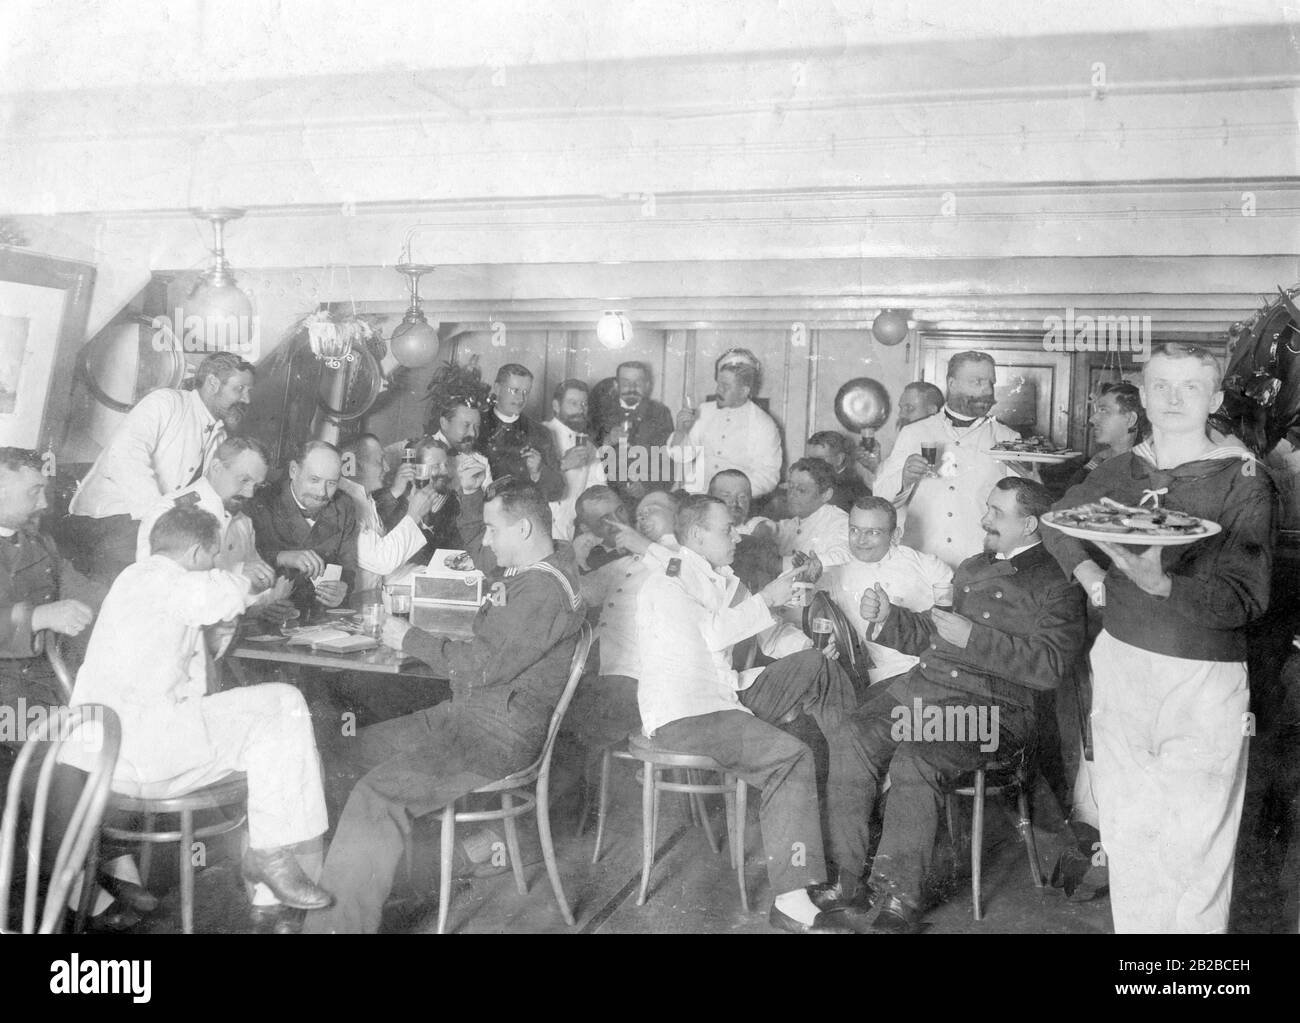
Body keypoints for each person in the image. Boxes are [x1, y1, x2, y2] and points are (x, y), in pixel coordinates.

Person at [1042, 343, 1274, 933]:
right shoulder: (1120, 469)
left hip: (1201, 676)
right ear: (1143, 397)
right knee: (1128, 834)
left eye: (1190, 387)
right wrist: (1091, 574)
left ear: (1215, 399)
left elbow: (1248, 599)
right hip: (1121, 663)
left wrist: (1164, 586)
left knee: (1195, 846)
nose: (1173, 398)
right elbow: (1057, 523)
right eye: (1162, 386)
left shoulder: (1243, 478)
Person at [303, 478, 586, 933]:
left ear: (526, 530)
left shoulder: (540, 592)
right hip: (468, 717)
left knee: (379, 794)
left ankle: (338, 927)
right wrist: (475, 499)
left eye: (494, 530)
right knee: (340, 758)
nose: (487, 541)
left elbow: (483, 666)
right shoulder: (546, 562)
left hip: (495, 736)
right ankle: (363, 891)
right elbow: (493, 618)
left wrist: (409, 638)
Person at [833, 478, 1086, 931]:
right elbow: (937, 635)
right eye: (987, 507)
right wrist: (888, 619)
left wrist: (975, 638)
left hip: (991, 712)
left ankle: (897, 899)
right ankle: (849, 878)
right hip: (927, 691)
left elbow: (1050, 667)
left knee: (917, 758)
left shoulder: (1058, 583)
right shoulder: (972, 567)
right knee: (852, 734)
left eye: (996, 512)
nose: (984, 519)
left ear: (1029, 524)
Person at [69, 505, 334, 919]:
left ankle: (271, 887)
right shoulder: (163, 579)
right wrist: (251, 582)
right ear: (195, 553)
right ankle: (270, 869)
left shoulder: (135, 581)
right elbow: (216, 595)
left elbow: (184, 666)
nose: (214, 566)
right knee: (285, 705)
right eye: (212, 558)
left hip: (110, 755)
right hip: (143, 756)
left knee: (273, 736)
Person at [636, 493, 870, 934]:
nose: (737, 536)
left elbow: (768, 632)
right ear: (697, 535)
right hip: (688, 714)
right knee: (792, 755)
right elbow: (712, 636)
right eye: (727, 529)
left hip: (726, 697)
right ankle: (792, 900)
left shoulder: (720, 577)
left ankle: (853, 812)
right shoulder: (669, 580)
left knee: (818, 668)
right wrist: (766, 596)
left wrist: (810, 645)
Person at [65, 352, 255, 583]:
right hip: (113, 518)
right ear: (213, 383)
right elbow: (125, 455)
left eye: (248, 391)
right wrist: (158, 519)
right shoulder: (167, 402)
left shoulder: (220, 434)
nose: (246, 399)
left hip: (157, 527)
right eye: (240, 389)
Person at [874, 352, 1023, 568]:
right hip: (920, 563)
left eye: (991, 382)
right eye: (977, 382)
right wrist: (904, 479)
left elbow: (1020, 513)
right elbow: (881, 501)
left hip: (982, 565)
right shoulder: (913, 433)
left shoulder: (1008, 439)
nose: (987, 390)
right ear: (952, 384)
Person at [0, 447, 101, 726]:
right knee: (73, 752)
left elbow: (83, 590)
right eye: (34, 491)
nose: (44, 503)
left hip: (40, 683)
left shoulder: (39, 543)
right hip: (8, 697)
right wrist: (40, 617)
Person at [817, 496, 954, 688]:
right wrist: (832, 642)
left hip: (937, 669)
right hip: (884, 678)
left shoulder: (928, 566)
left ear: (895, 535)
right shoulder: (835, 572)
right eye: (854, 530)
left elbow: (954, 618)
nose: (861, 540)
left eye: (873, 532)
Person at [247, 440, 356, 613]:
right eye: (314, 480)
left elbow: (348, 566)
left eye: (332, 483)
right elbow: (240, 565)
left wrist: (343, 587)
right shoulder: (261, 502)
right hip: (268, 613)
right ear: (293, 471)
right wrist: (282, 556)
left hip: (320, 616)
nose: (322, 492)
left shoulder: (343, 506)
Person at [670, 361, 782, 497]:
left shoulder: (763, 424)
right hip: (695, 496)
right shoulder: (703, 411)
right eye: (718, 384)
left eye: (726, 386)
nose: (718, 390)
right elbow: (681, 457)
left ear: (744, 391)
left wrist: (733, 495)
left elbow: (768, 476)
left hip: (735, 502)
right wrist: (681, 431)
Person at [478, 364, 563, 500]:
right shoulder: (476, 425)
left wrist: (539, 471)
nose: (521, 398)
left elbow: (557, 491)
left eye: (526, 392)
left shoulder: (540, 432)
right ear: (497, 389)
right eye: (515, 390)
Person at [595, 361, 675, 499]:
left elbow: (668, 459)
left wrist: (646, 486)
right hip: (606, 495)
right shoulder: (600, 411)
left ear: (647, 385)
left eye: (638, 383)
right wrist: (607, 441)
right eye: (626, 383)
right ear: (616, 385)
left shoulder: (660, 413)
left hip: (645, 497)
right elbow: (588, 456)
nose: (632, 388)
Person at [543, 379, 606, 540]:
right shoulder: (539, 433)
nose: (580, 410)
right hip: (537, 531)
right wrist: (562, 464)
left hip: (568, 536)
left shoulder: (590, 447)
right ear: (556, 406)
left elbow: (596, 493)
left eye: (584, 404)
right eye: (573, 403)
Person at [708, 469, 780, 594]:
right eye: (726, 496)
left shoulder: (756, 526)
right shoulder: (697, 528)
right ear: (710, 498)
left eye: (742, 497)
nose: (735, 503)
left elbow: (762, 538)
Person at [805, 431, 871, 511]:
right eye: (809, 459)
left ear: (839, 459)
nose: (811, 465)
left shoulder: (852, 491)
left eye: (819, 460)